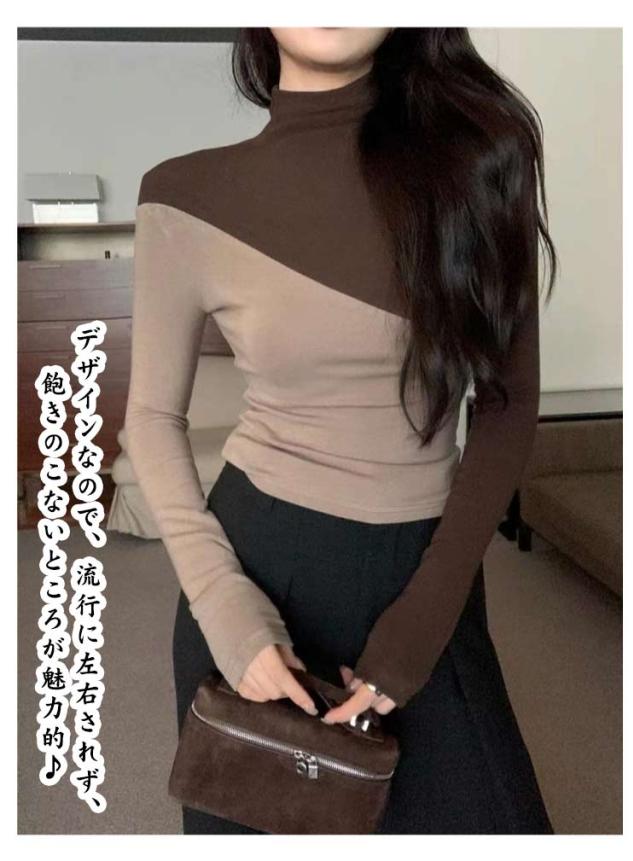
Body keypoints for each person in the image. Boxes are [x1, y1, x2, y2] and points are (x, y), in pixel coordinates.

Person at [124, 27, 556, 834]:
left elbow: (506, 401)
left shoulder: (482, 161)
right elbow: (150, 417)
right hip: (259, 566)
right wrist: (224, 607)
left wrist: (427, 618)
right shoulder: (183, 194)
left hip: (426, 570)